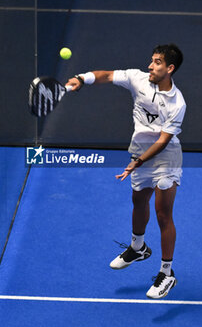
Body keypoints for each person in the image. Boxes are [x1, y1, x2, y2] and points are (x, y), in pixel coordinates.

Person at [66, 44, 186, 299]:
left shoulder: (177, 103)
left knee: (163, 213)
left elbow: (164, 140)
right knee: (138, 201)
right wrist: (81, 79)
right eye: (152, 60)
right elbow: (107, 75)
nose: (150, 66)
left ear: (170, 68)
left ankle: (167, 273)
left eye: (157, 62)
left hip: (166, 158)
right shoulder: (137, 79)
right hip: (140, 153)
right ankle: (138, 248)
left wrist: (139, 161)